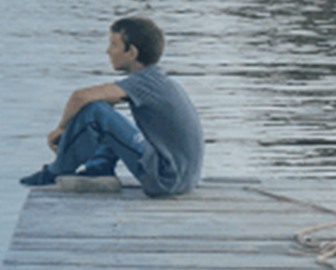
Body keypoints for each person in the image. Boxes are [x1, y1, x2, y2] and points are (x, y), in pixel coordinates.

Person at [19, 16, 203, 197]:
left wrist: (61, 129)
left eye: (113, 44)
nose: (108, 51)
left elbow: (80, 96)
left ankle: (56, 171)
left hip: (165, 180)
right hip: (182, 178)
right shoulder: (157, 80)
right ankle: (99, 169)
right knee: (103, 110)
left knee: (96, 110)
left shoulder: (145, 82)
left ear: (132, 52)